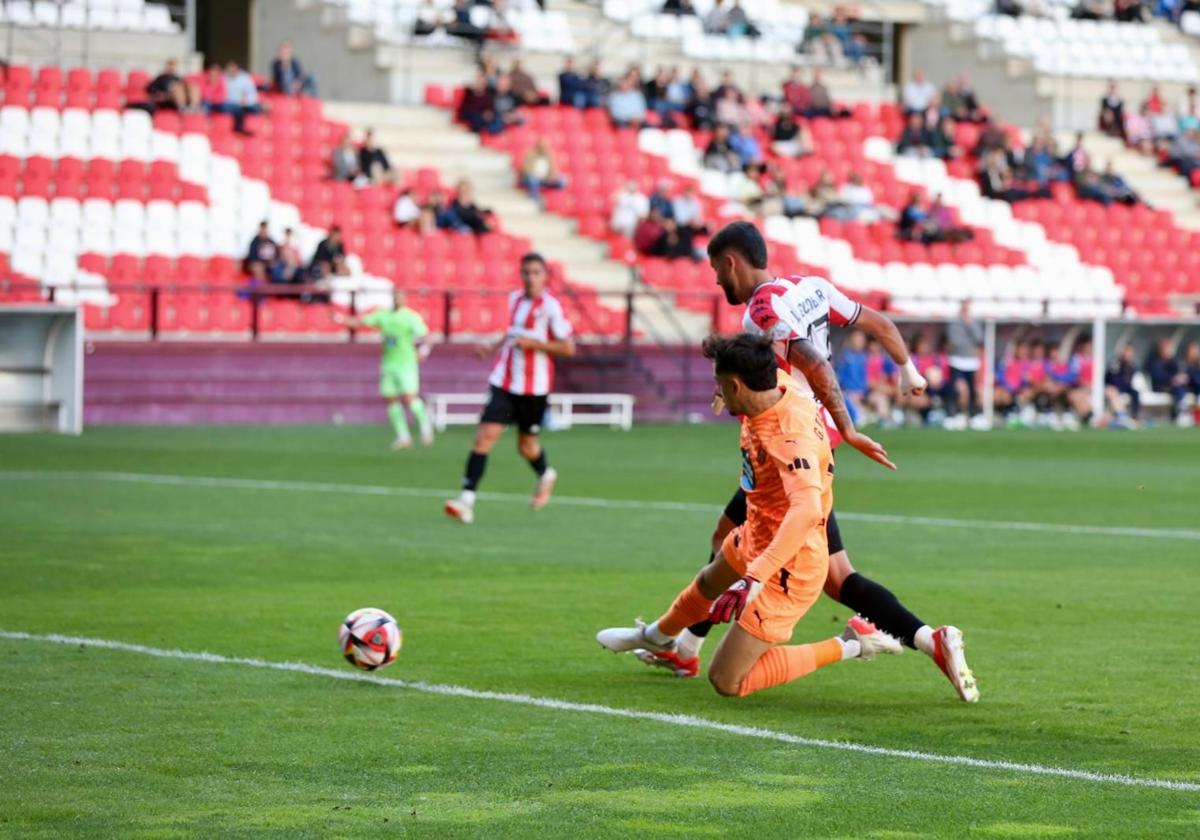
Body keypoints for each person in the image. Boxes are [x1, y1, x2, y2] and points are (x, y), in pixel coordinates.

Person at [630, 222, 979, 703]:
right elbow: (880, 323)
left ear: (732, 261)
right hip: (811, 440)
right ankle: (925, 638)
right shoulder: (810, 287)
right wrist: (908, 371)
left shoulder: (762, 308)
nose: (717, 282)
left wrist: (850, 425)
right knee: (825, 572)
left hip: (789, 444)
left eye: (716, 271)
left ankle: (687, 645)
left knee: (784, 556)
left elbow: (815, 364)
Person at [596, 334, 903, 698]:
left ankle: (852, 643)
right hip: (758, 532)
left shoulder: (789, 437)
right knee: (710, 583)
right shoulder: (774, 385)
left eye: (719, 384)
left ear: (736, 384)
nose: (717, 391)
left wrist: (754, 577)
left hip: (790, 564)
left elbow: (807, 510)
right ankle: (658, 637)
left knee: (727, 681)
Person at [444, 253, 575, 524]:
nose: (530, 278)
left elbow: (568, 347)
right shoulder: (515, 299)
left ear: (545, 276)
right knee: (484, 438)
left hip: (534, 389)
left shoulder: (551, 307)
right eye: (526, 272)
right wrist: (491, 346)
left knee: (526, 446)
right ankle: (466, 501)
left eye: (536, 273)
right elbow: (512, 332)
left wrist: (535, 345)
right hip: (504, 382)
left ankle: (545, 473)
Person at [332, 292, 434, 449]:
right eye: (395, 296)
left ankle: (426, 427)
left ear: (404, 300)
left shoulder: (410, 317)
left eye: (399, 297)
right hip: (388, 364)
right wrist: (339, 319)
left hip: (406, 364)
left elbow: (426, 336)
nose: (397, 299)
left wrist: (423, 351)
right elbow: (360, 322)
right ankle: (403, 436)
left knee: (409, 398)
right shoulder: (383, 315)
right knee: (390, 398)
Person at [944, 300, 983, 429]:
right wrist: (967, 342)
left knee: (972, 389)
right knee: (954, 389)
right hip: (957, 359)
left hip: (971, 360)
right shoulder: (954, 322)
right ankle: (952, 415)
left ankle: (974, 415)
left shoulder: (974, 322)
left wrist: (970, 325)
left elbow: (979, 338)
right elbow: (954, 340)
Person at [1146, 338, 1190, 422]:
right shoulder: (1154, 362)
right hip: (1159, 386)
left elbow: (1179, 371)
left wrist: (1181, 377)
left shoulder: (1172, 361)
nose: (1168, 351)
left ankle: (1181, 412)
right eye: (1166, 349)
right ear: (1161, 350)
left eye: (1169, 349)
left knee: (1180, 387)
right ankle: (1180, 413)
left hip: (1172, 386)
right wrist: (1172, 379)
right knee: (1178, 388)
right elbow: (1158, 377)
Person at [223, 61, 262, 135]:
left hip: (245, 104)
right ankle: (239, 127)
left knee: (256, 108)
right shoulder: (224, 78)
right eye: (229, 70)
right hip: (230, 104)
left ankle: (249, 129)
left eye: (233, 70)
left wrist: (246, 100)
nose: (231, 72)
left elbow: (252, 94)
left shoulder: (245, 78)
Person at [244, 221, 277, 285]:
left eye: (265, 229)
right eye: (263, 229)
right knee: (258, 267)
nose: (264, 231)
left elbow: (275, 255)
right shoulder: (254, 242)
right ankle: (260, 288)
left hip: (268, 265)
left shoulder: (271, 242)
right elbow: (252, 257)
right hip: (257, 264)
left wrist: (272, 262)